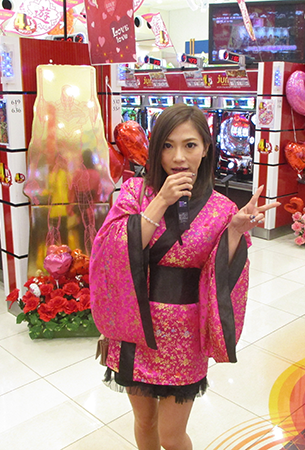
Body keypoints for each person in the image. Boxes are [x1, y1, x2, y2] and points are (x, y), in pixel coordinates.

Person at [90, 103, 279, 450]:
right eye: (168, 145)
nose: (178, 157)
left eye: (189, 145)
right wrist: (160, 200)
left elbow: (221, 275)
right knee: (144, 422)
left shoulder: (222, 207)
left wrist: (235, 231)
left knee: (172, 436)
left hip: (185, 334)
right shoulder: (135, 192)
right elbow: (111, 251)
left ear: (205, 148)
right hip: (136, 325)